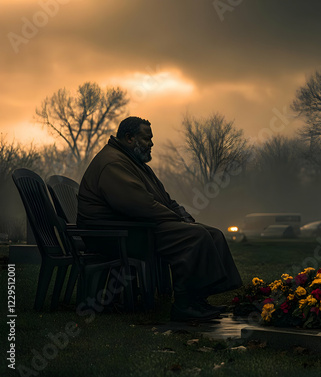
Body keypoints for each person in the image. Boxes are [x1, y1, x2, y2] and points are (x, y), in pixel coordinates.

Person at [77, 116, 242, 321]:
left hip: (136, 227)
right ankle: (184, 305)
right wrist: (177, 220)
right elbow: (140, 205)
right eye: (147, 139)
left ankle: (199, 299)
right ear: (129, 138)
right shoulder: (113, 163)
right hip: (115, 235)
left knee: (213, 234)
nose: (152, 143)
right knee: (194, 236)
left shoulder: (135, 163)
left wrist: (183, 216)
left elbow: (164, 199)